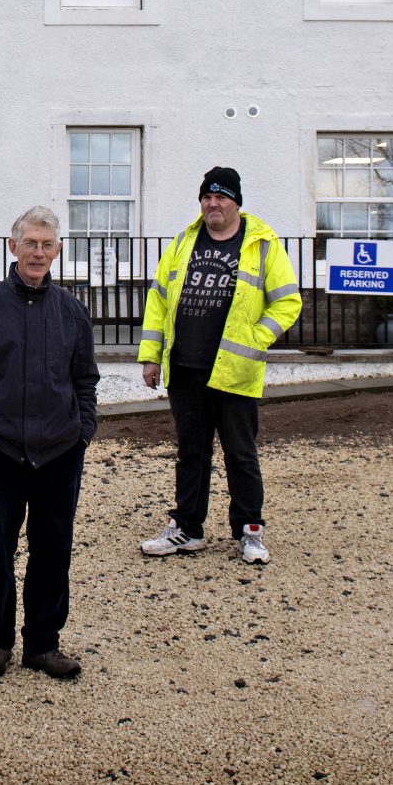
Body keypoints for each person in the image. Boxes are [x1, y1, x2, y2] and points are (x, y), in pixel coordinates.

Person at [0, 206, 100, 679]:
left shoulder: (72, 312)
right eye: (30, 243)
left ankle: (42, 644)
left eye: (46, 244)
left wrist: (83, 431)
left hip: (60, 452)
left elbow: (85, 380)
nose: (38, 252)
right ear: (13, 247)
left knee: (53, 550)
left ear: (58, 251)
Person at [137, 166, 301, 565]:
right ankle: (187, 529)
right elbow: (159, 299)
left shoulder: (262, 244)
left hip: (234, 371)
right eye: (207, 197)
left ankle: (249, 531)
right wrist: (151, 355)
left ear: (236, 203)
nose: (213, 204)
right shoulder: (184, 241)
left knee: (240, 455)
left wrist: (255, 337)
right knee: (191, 453)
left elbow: (288, 302)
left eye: (221, 197)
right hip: (185, 368)